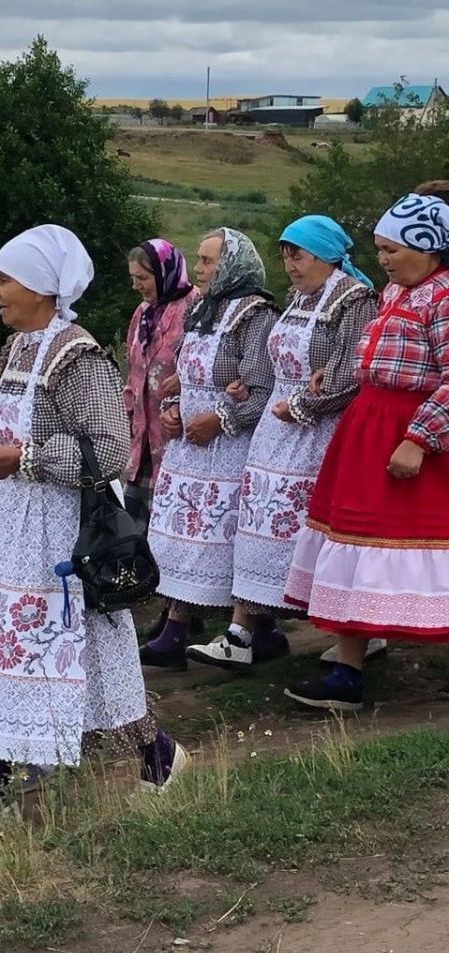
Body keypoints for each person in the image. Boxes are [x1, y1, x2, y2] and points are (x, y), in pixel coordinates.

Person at [0, 224, 188, 790]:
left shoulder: (75, 354)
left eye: (4, 280)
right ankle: (8, 758)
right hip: (9, 519)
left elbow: (109, 449)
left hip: (59, 526)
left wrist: (27, 457)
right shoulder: (18, 346)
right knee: (8, 636)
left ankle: (155, 753)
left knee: (86, 645)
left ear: (38, 287)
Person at [185, 216, 377, 671]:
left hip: (318, 436)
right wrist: (243, 388)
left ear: (327, 256)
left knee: (316, 540)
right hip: (275, 436)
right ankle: (242, 633)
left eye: (300, 255)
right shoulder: (298, 300)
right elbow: (274, 363)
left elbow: (351, 369)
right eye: (286, 255)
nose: (290, 265)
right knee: (258, 532)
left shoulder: (353, 301)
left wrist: (308, 404)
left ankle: (356, 633)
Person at [284, 193, 449, 711]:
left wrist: (418, 439)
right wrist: (335, 376)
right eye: (379, 249)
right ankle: (346, 670)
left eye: (393, 249)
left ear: (431, 247)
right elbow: (377, 357)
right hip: (368, 429)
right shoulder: (395, 293)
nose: (383, 259)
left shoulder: (444, 299)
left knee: (419, 546)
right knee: (351, 541)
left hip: (410, 434)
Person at [139, 229, 277, 670]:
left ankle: (243, 628)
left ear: (233, 264)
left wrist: (220, 420)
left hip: (229, 450)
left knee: (222, 540)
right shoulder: (203, 307)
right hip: (189, 450)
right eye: (198, 261)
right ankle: (183, 629)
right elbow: (184, 372)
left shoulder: (256, 316)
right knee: (181, 540)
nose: (198, 270)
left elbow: (262, 389)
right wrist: (174, 409)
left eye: (208, 261)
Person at [124, 240, 197, 525]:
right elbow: (134, 372)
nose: (136, 286)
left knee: (167, 525)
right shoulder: (143, 313)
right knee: (132, 531)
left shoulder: (195, 307)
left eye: (142, 278)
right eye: (133, 278)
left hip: (175, 437)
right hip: (141, 439)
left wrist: (186, 383)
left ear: (164, 272)